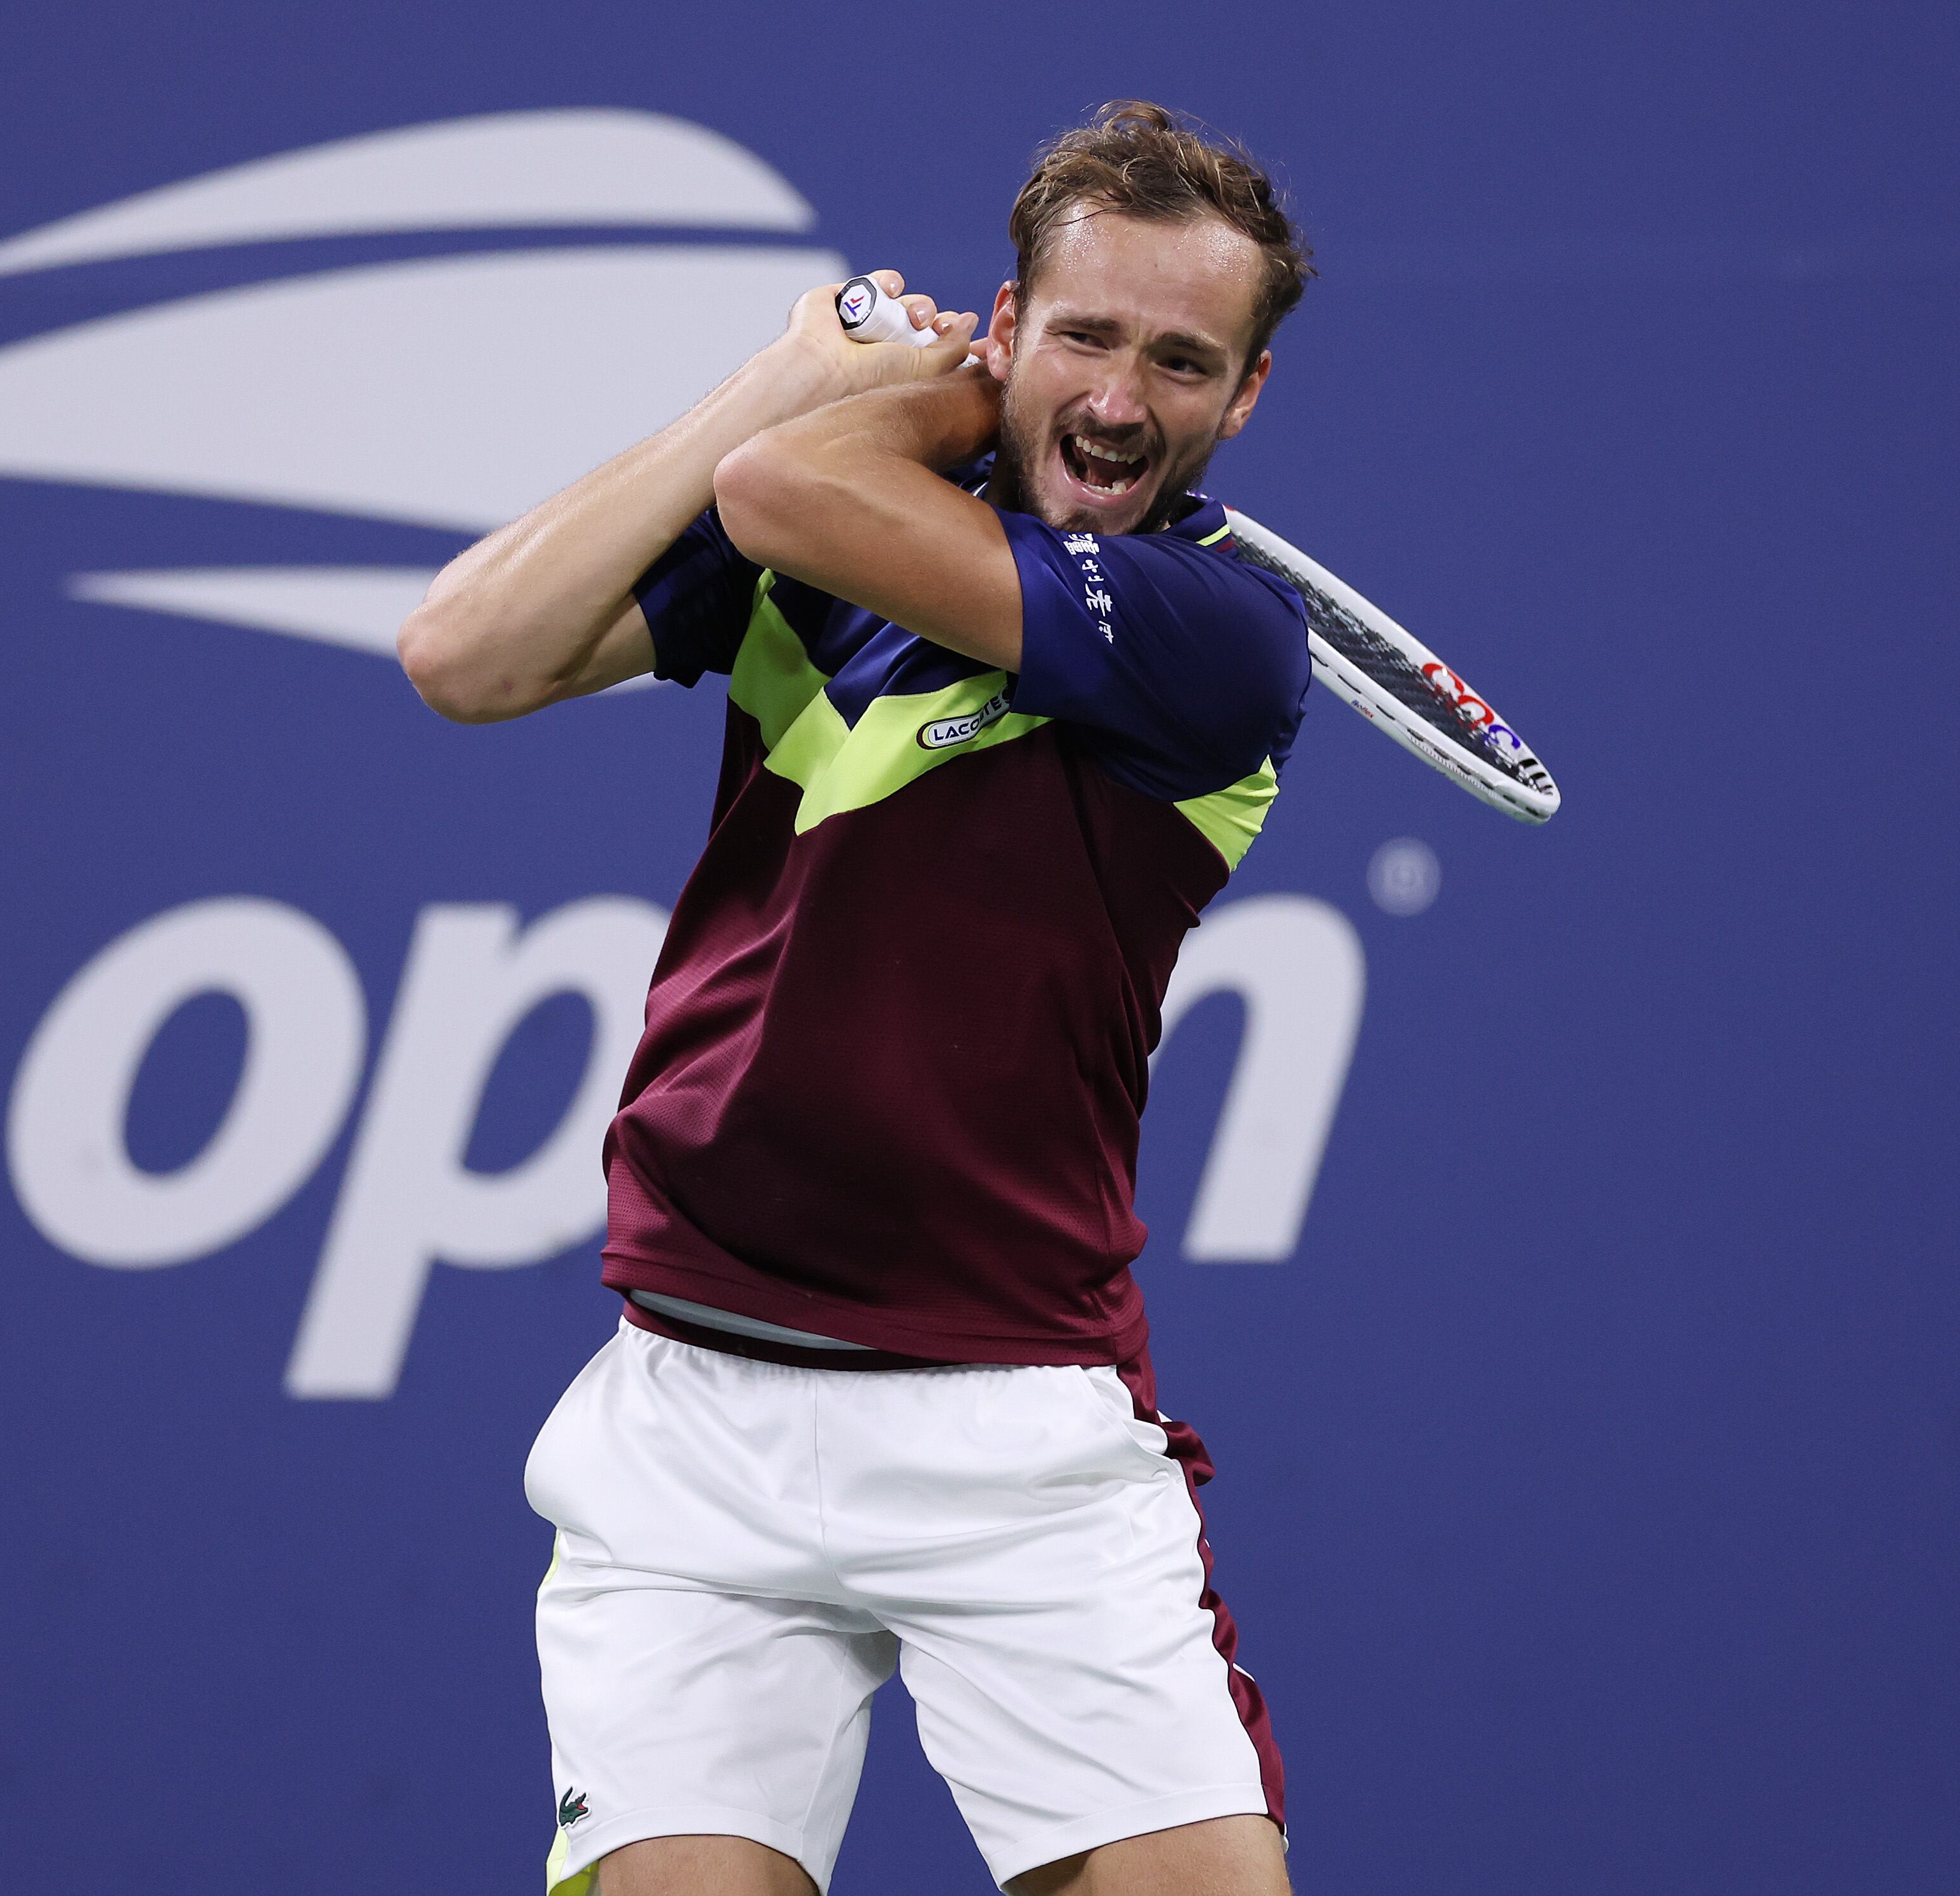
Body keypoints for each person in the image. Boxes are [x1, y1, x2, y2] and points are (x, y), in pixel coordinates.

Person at [397, 101, 1315, 1896]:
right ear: (1011, 314)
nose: (1122, 402)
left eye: (1182, 361)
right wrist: (772, 375)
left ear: (1244, 400)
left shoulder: (1219, 640)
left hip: (1017, 1436)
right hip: (692, 1433)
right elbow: (464, 652)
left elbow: (784, 489)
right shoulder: (809, 571)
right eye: (1085, 338)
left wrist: (913, 394)